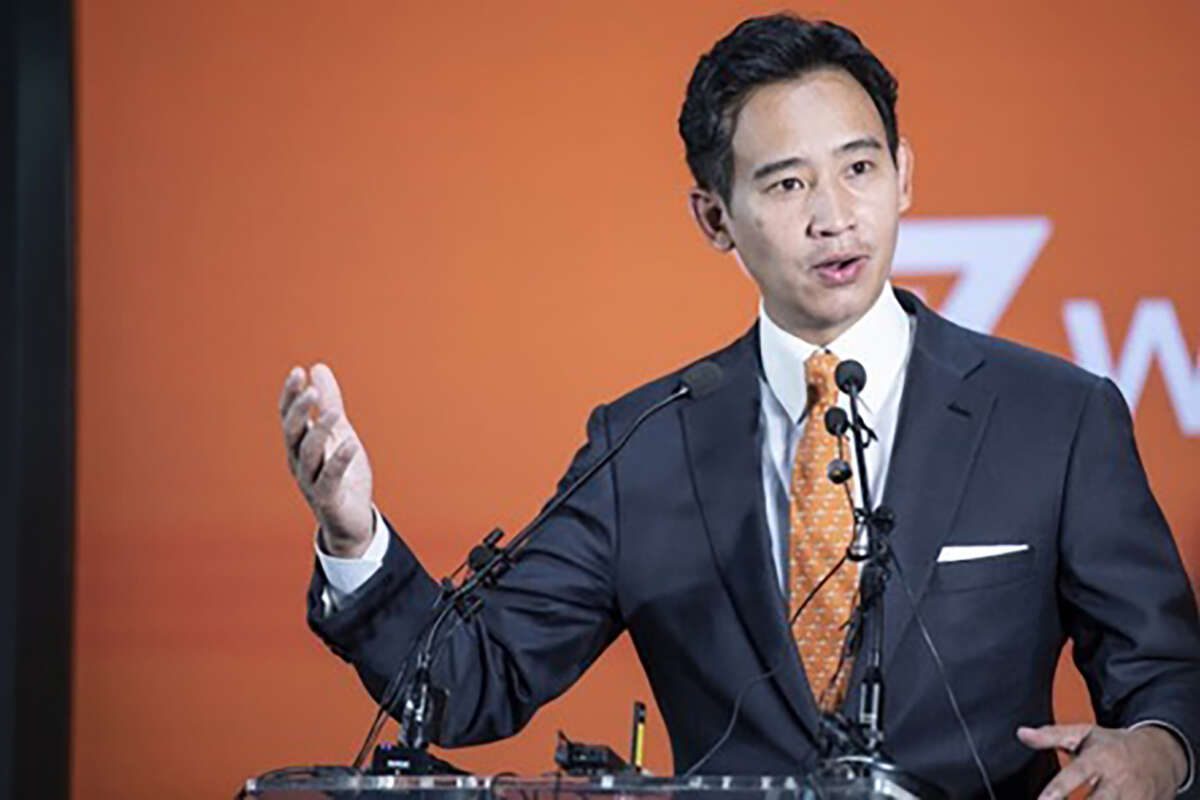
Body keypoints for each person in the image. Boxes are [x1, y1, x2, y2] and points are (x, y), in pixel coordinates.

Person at [278, 14, 1200, 799]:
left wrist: (1160, 751)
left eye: (859, 168)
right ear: (714, 217)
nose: (833, 216)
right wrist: (354, 539)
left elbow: (1165, 673)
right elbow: (471, 682)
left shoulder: (1055, 417)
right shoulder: (645, 443)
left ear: (904, 174)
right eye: (787, 183)